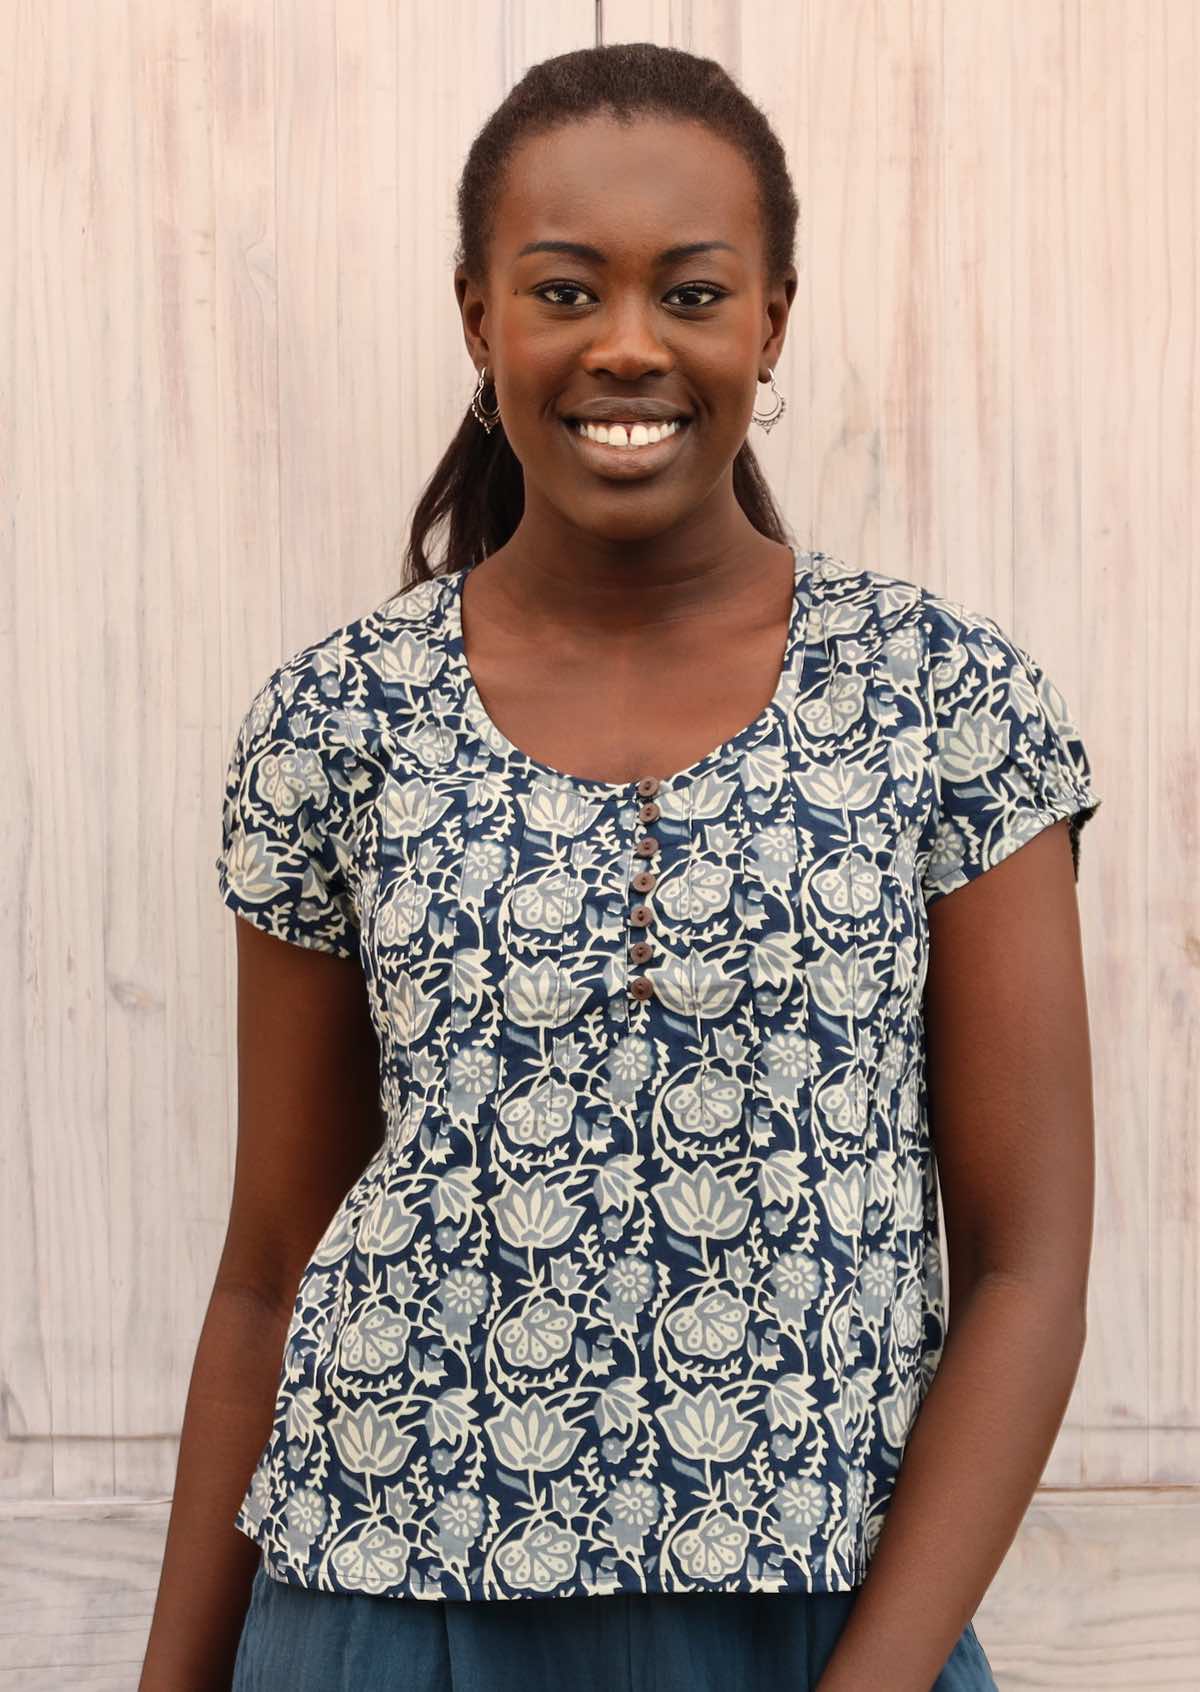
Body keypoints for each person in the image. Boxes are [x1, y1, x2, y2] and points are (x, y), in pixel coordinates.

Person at [139, 41, 1101, 1692]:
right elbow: (271, 1264)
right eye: (566, 290)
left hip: (820, 1624)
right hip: (385, 1611)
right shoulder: (334, 722)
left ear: (772, 322)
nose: (630, 346)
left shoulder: (949, 701)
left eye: (694, 292)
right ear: (478, 319)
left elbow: (1029, 1265)